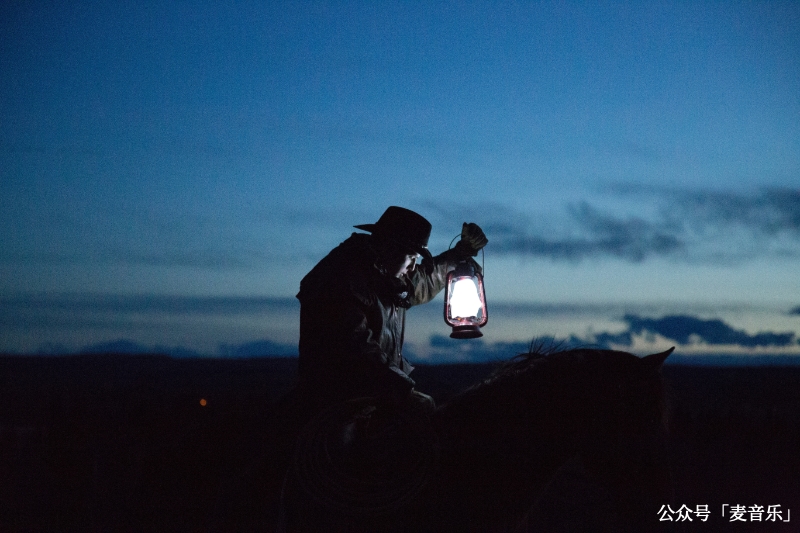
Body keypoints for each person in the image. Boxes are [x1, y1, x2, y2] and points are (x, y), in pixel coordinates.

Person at [294, 206, 487, 420]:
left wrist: (460, 253)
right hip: (336, 403)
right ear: (389, 248)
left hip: (377, 394)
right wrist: (403, 390)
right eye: (412, 258)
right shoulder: (340, 278)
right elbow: (355, 349)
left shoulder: (386, 276)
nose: (414, 268)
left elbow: (425, 280)